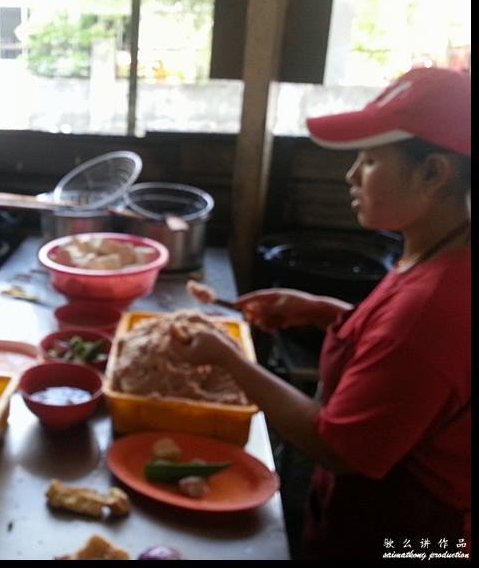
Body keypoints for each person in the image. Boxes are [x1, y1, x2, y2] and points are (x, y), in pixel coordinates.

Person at [171, 67, 470, 559]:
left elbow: (337, 448)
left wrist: (230, 360)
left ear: (434, 173)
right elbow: (403, 354)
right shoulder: (441, 251)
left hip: (406, 541)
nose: (351, 175)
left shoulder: (432, 308)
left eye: (371, 160)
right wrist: (327, 313)